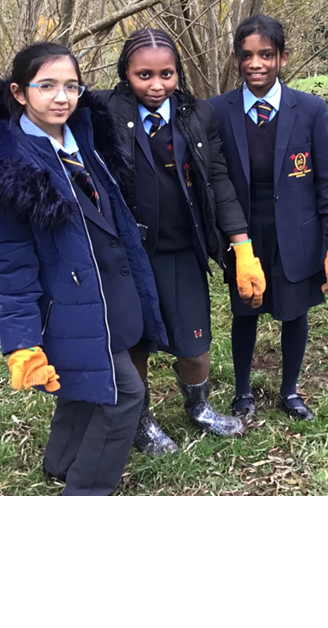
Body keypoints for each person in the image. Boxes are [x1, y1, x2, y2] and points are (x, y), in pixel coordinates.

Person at [0, 42, 165, 495]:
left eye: (71, 86)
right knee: (124, 395)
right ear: (18, 92)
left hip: (113, 293)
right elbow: (9, 269)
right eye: (46, 86)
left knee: (81, 388)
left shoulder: (85, 136)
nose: (61, 97)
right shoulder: (3, 172)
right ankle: (86, 492)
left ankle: (60, 463)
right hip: (69, 309)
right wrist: (22, 344)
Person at [91, 28, 258, 455]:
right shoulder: (103, 112)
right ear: (125, 74)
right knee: (136, 342)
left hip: (183, 249)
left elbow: (217, 180)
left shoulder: (197, 117)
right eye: (143, 74)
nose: (156, 85)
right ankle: (140, 421)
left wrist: (242, 246)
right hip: (129, 256)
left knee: (195, 343)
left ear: (178, 74)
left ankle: (198, 408)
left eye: (166, 74)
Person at [209, 14, 328, 422]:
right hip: (245, 237)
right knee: (244, 312)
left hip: (297, 235)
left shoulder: (309, 110)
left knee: (294, 312)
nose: (256, 63)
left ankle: (289, 390)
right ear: (237, 58)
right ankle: (242, 392)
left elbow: (327, 183)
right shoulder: (216, 112)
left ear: (283, 58)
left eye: (266, 55)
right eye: (248, 55)